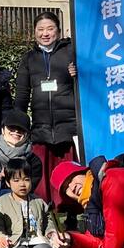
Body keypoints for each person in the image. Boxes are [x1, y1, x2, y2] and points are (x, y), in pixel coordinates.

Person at [14, 11, 77, 205]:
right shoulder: (29, 58)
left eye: (50, 28)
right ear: (34, 32)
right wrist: (18, 122)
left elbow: (88, 84)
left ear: (58, 30)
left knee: (70, 177)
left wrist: (77, 74)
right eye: (40, 29)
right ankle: (43, 215)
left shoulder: (71, 51)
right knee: (41, 179)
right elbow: (22, 92)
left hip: (68, 127)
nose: (45, 33)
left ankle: (72, 218)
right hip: (41, 128)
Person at [0, 158, 60, 248]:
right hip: (15, 241)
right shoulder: (1, 202)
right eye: (16, 180)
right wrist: (0, 238)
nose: (22, 184)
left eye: (26, 179)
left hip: (36, 239)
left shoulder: (38, 201)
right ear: (8, 183)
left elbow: (49, 219)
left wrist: (51, 232)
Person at [0, 110, 42, 196]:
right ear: (3, 130)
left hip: (22, 200)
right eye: (12, 128)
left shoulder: (33, 160)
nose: (16, 131)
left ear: (27, 134)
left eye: (21, 129)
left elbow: (31, 187)